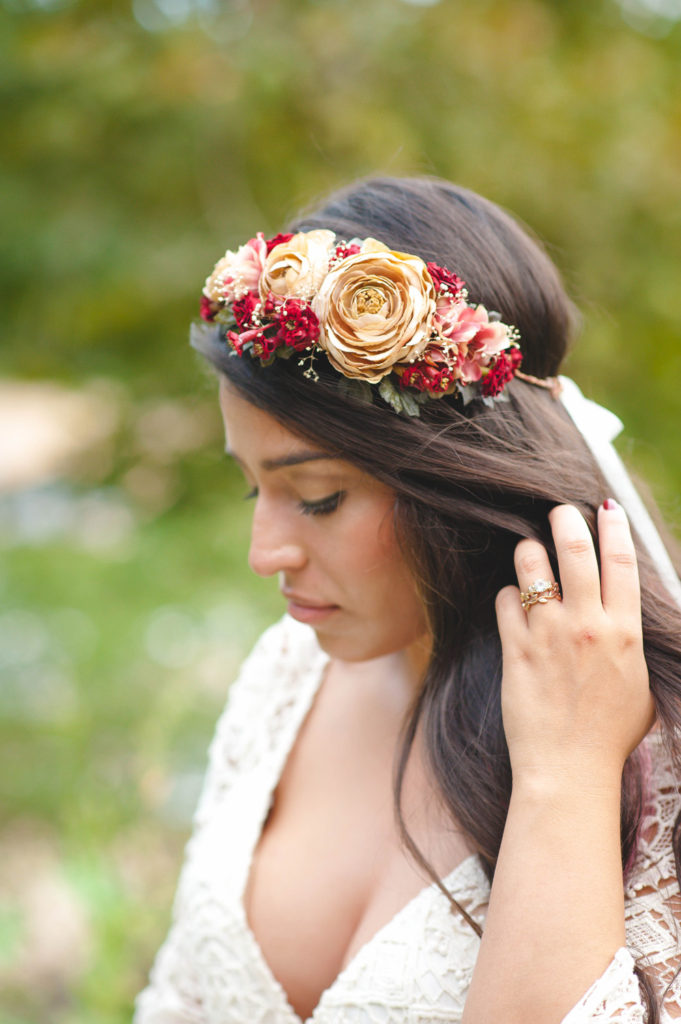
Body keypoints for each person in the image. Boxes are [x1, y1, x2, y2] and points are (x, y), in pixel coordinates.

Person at [133, 176, 681, 1023]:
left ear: (458, 479)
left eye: (316, 497)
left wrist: (564, 776)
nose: (263, 554)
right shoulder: (286, 672)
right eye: (252, 491)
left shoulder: (651, 744)